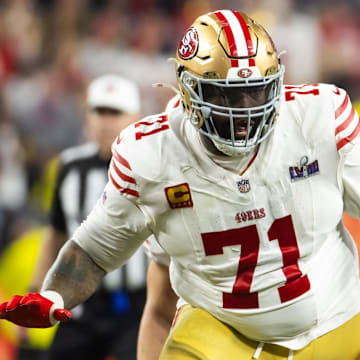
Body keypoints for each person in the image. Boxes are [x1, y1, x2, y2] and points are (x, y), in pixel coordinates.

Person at [1, 9, 360, 360]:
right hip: (224, 330)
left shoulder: (320, 117)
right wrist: (54, 296)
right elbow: (94, 251)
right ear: (190, 92)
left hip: (339, 316)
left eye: (257, 91)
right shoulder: (153, 157)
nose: (246, 111)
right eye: (228, 96)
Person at [18, 74, 148, 360]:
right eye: (99, 111)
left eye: (115, 112)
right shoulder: (70, 166)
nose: (106, 121)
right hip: (84, 303)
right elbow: (56, 234)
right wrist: (35, 291)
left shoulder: (151, 168)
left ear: (136, 117)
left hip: (138, 304)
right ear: (86, 116)